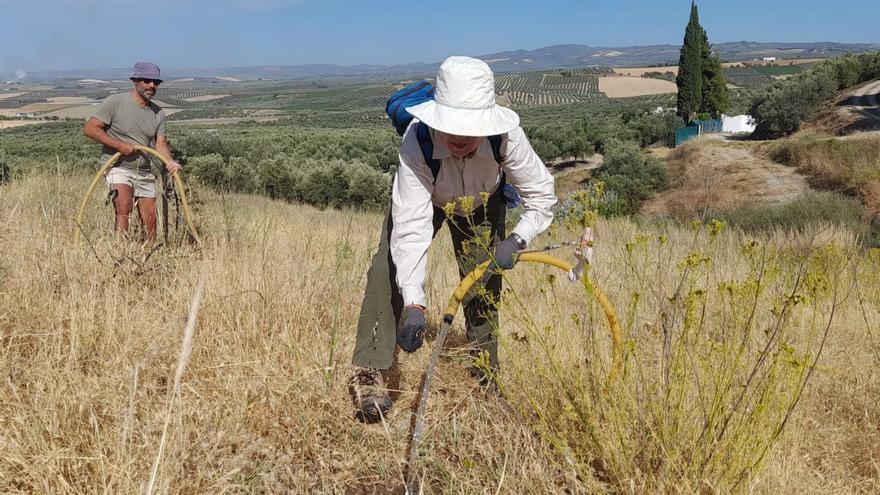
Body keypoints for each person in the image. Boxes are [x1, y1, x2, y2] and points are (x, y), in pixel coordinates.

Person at [350, 56, 557, 422]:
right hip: (428, 201)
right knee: (386, 274)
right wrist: (415, 304)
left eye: (469, 129)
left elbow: (542, 194)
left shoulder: (507, 137)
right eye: (452, 129)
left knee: (483, 285)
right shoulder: (417, 142)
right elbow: (411, 227)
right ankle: (370, 374)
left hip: (482, 203)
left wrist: (517, 240)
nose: (459, 138)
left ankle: (484, 378)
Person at [84, 61, 181, 242]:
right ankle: (120, 251)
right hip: (117, 166)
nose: (152, 85)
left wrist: (170, 162)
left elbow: (160, 144)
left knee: (150, 217)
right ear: (135, 81)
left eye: (156, 82)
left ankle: (150, 254)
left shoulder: (158, 113)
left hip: (143, 170)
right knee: (124, 205)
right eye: (147, 80)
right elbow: (90, 129)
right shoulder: (115, 102)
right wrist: (118, 145)